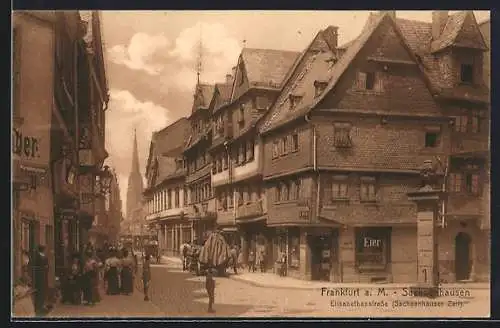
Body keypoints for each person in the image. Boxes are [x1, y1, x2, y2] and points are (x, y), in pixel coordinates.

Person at [32, 245, 49, 316]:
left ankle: (41, 305)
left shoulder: (44, 256)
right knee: (39, 290)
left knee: (42, 290)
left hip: (43, 275)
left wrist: (46, 267)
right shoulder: (37, 256)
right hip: (39, 275)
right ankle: (38, 307)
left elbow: (47, 265)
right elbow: (36, 265)